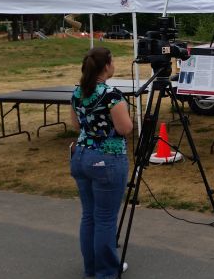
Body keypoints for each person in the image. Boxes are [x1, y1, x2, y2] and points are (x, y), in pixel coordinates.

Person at [69, 47, 133, 279]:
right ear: (106, 66)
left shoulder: (78, 92)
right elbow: (125, 128)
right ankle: (106, 272)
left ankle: (92, 268)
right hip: (107, 159)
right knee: (105, 218)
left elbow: (76, 126)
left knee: (89, 216)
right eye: (112, 61)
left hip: (81, 156)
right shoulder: (111, 95)